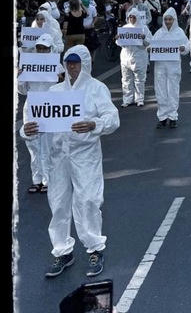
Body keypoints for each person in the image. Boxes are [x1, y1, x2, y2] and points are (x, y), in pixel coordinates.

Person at [21, 45, 119, 277]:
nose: (72, 66)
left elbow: (112, 118)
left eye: (76, 62)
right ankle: (62, 251)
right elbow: (32, 123)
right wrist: (28, 130)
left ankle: (95, 248)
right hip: (58, 156)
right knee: (58, 203)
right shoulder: (54, 92)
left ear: (85, 63)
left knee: (88, 200)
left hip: (85, 155)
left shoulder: (96, 89)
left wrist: (94, 124)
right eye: (69, 62)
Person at [18, 33, 64, 193]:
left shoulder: (57, 66)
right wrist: (20, 77)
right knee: (32, 144)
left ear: (50, 49)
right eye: (39, 48)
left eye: (45, 48)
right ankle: (36, 180)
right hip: (31, 106)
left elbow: (65, 89)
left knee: (47, 145)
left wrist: (60, 78)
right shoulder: (28, 64)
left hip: (49, 108)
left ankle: (47, 180)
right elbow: (22, 90)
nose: (41, 51)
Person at [150, 7, 189, 128]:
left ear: (174, 20)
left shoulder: (179, 32)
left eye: (170, 19)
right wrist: (149, 49)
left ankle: (173, 116)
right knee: (160, 91)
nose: (167, 21)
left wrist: (183, 48)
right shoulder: (159, 33)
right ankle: (162, 117)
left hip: (173, 66)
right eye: (166, 19)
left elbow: (187, 46)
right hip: (160, 66)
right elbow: (152, 45)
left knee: (173, 90)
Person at [115, 10, 152, 107]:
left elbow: (150, 42)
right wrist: (117, 38)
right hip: (125, 56)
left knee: (139, 79)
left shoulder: (144, 28)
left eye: (134, 17)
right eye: (130, 17)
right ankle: (127, 99)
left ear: (138, 17)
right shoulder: (125, 28)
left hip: (139, 57)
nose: (132, 19)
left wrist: (144, 38)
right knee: (126, 79)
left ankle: (139, 99)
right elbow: (120, 43)